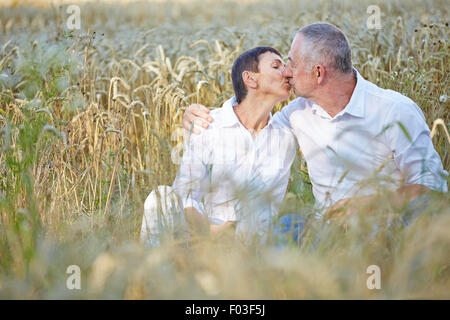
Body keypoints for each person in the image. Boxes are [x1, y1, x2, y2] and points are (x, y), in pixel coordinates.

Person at [183, 23, 448, 226]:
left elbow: (433, 188)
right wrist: (205, 116)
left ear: (318, 73)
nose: (286, 71)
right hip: (328, 232)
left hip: (388, 225)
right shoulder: (297, 113)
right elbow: (253, 121)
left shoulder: (394, 111)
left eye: (292, 63)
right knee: (286, 227)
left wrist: (369, 205)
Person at [140, 47, 297, 247]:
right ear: (250, 79)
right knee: (159, 198)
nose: (286, 72)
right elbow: (186, 193)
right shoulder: (209, 125)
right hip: (204, 233)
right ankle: (151, 275)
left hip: (254, 239)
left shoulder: (286, 134)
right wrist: (210, 233)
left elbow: (270, 208)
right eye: (277, 66)